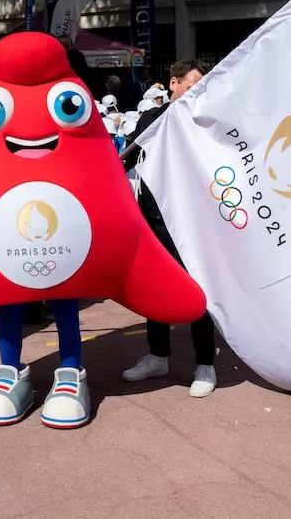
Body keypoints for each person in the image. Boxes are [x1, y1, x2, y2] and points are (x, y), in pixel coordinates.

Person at [121, 59, 218, 397]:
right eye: (192, 86)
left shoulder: (204, 120)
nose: (197, 92)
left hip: (191, 222)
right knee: (155, 291)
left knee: (197, 292)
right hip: (152, 223)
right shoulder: (152, 118)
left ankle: (205, 363)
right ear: (173, 83)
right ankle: (157, 355)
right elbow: (127, 158)